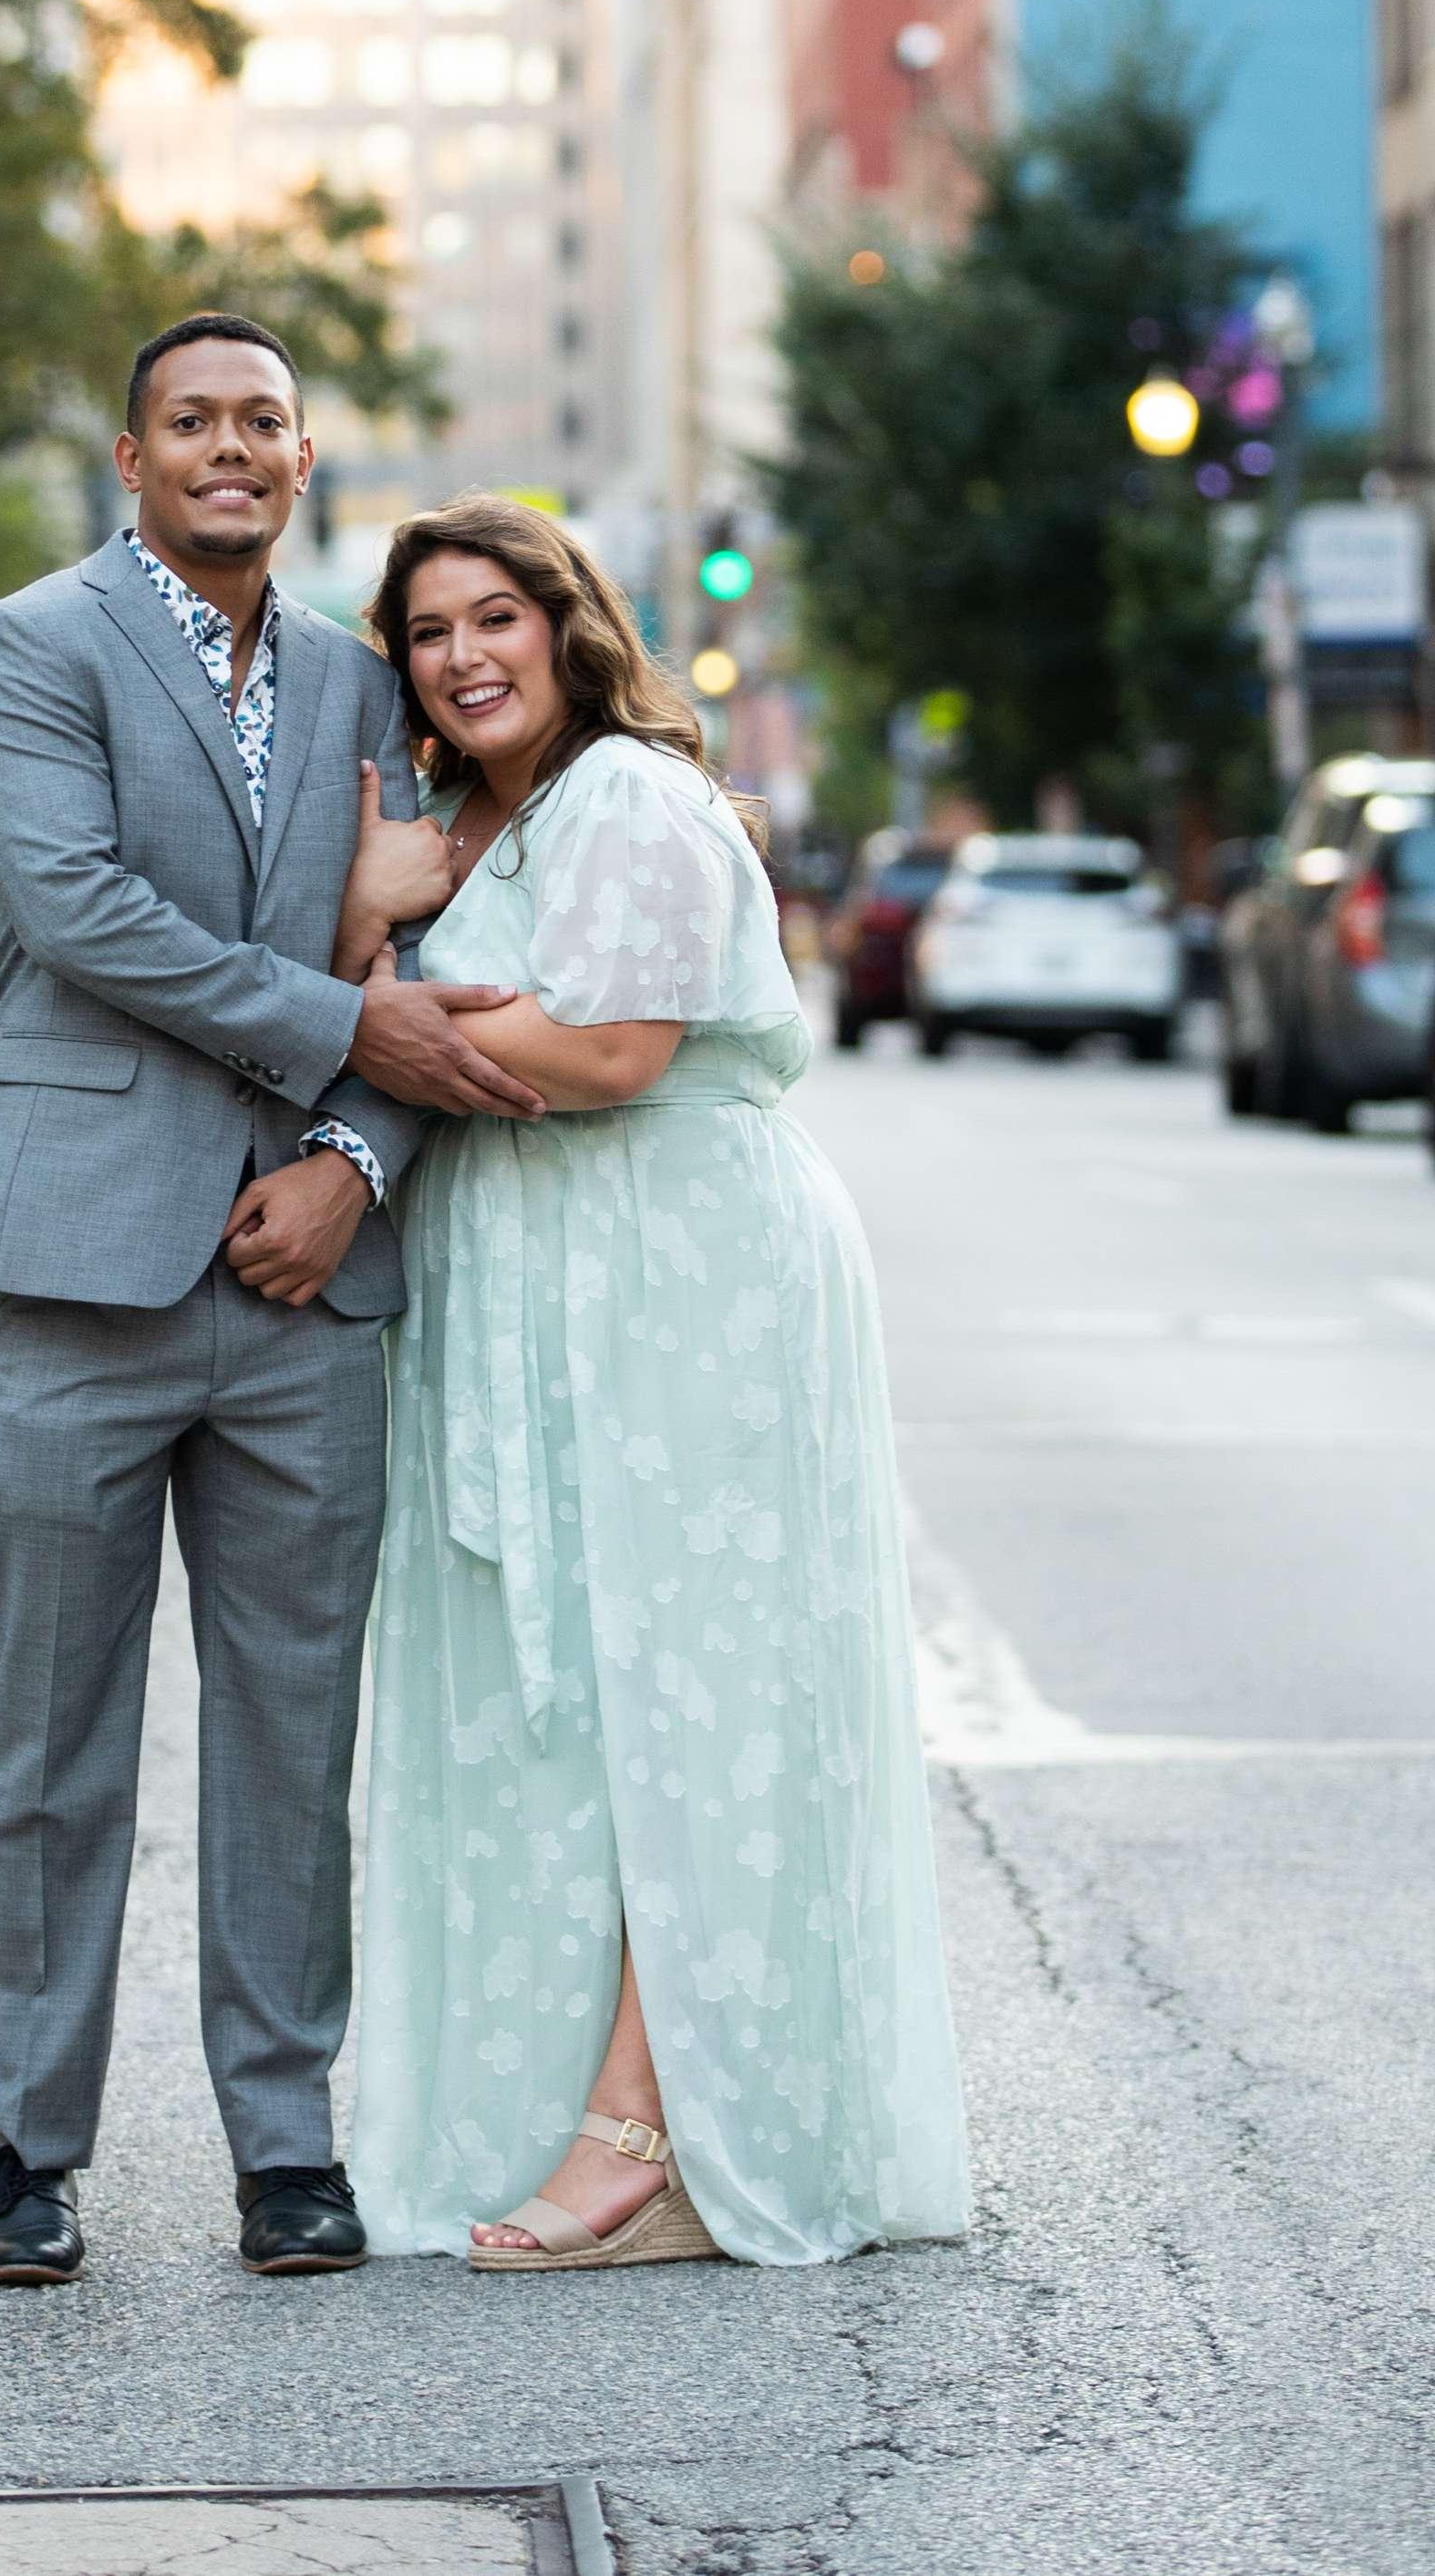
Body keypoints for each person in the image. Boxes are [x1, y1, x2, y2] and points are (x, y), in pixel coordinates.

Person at [0, 319, 545, 2293]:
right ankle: (30, 2153)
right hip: (76, 1269)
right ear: (132, 457)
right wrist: (343, 1030)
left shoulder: (373, 680)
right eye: (191, 421)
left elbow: (436, 948)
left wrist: (357, 1151)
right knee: (53, 1733)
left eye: (261, 423)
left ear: (301, 459)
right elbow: (78, 912)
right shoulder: (32, 647)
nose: (228, 448)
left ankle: (288, 2144)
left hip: (309, 1282)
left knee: (292, 1736)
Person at [336, 495, 974, 2271]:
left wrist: (383, 1015)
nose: (463, 656)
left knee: (694, 1689)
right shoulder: (467, 833)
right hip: (539, 1276)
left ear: (568, 625)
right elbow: (469, 1029)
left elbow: (613, 1048)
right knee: (565, 1707)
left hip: (684, 1276)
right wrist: (387, 954)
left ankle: (656, 2130)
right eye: (428, 632)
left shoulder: (632, 794)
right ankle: (578, 2104)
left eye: (495, 617)